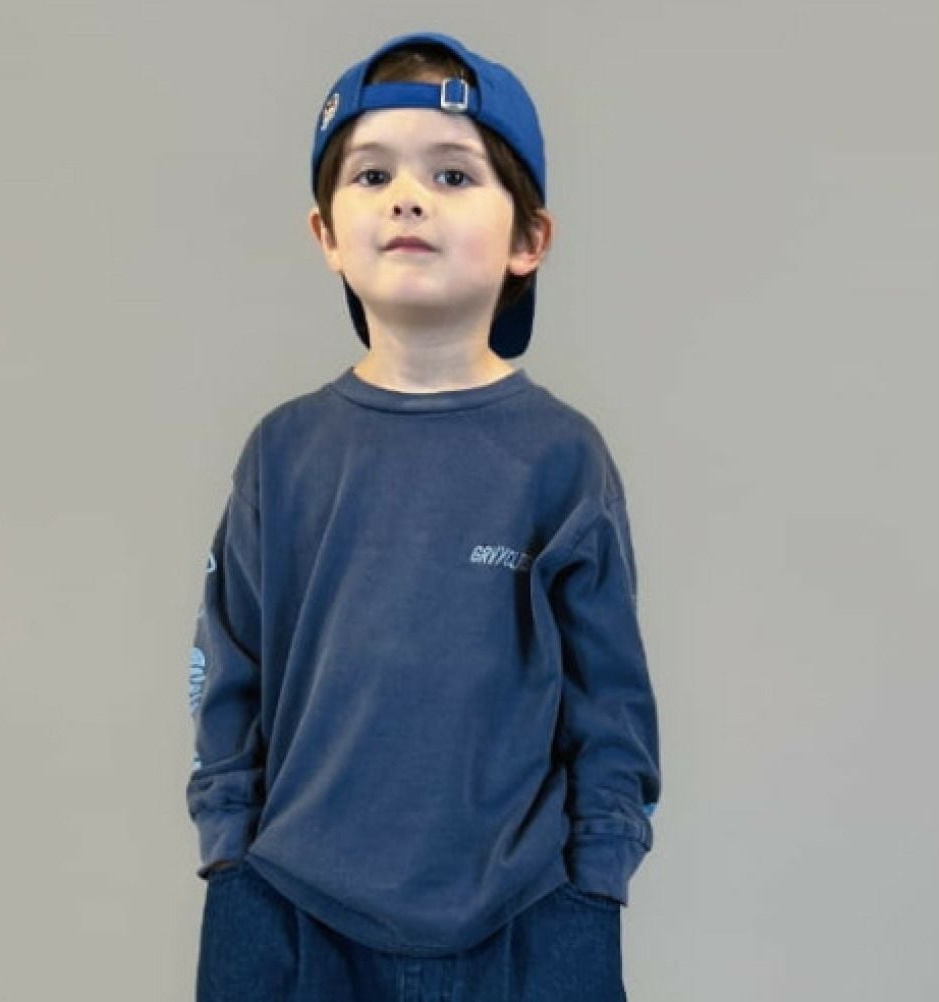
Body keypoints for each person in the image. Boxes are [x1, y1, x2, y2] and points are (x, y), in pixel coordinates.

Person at [186, 30, 661, 1002]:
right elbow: (229, 673)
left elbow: (610, 703)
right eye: (372, 175)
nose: (407, 198)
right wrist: (230, 854)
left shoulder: (562, 461)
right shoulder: (283, 454)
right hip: (290, 914)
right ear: (325, 234)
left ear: (529, 239)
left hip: (527, 921)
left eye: (452, 174)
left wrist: (595, 883)